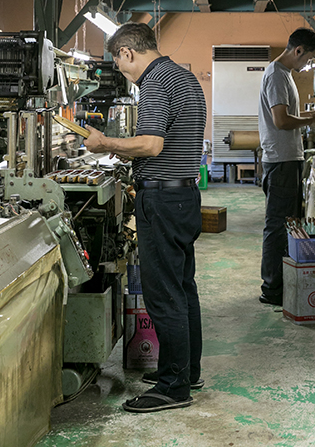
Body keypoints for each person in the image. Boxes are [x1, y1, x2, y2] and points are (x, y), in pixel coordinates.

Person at [83, 22, 207, 413]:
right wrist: (128, 150)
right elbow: (169, 142)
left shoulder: (154, 82)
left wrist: (105, 143)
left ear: (127, 53)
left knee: (163, 293)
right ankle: (186, 370)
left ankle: (173, 387)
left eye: (120, 65)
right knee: (183, 287)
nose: (124, 73)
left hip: (163, 201)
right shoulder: (185, 79)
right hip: (185, 195)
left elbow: (152, 144)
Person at [258, 27, 315, 306]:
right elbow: (281, 121)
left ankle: (280, 282)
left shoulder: (285, 76)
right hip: (281, 160)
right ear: (298, 50)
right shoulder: (277, 76)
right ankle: (272, 289)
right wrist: (311, 121)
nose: (308, 64)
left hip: (286, 158)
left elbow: (288, 115)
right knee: (278, 226)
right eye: (309, 58)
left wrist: (313, 114)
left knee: (286, 223)